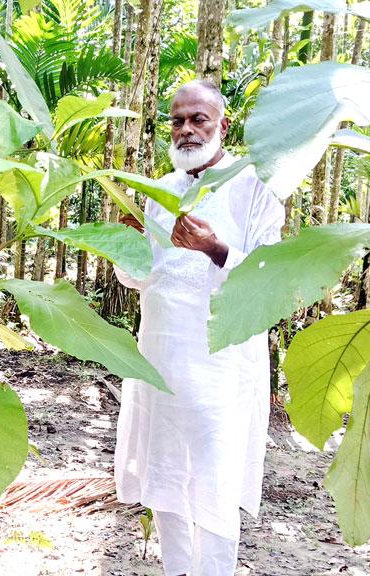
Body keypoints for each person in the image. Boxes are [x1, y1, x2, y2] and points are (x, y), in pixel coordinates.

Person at [112, 79, 285, 576]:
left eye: (198, 119)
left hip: (221, 364)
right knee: (164, 471)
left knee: (215, 478)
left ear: (222, 125)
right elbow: (142, 278)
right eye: (178, 120)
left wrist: (216, 250)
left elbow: (269, 276)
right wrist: (124, 248)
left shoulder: (255, 186)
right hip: (161, 354)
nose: (186, 129)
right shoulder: (159, 191)